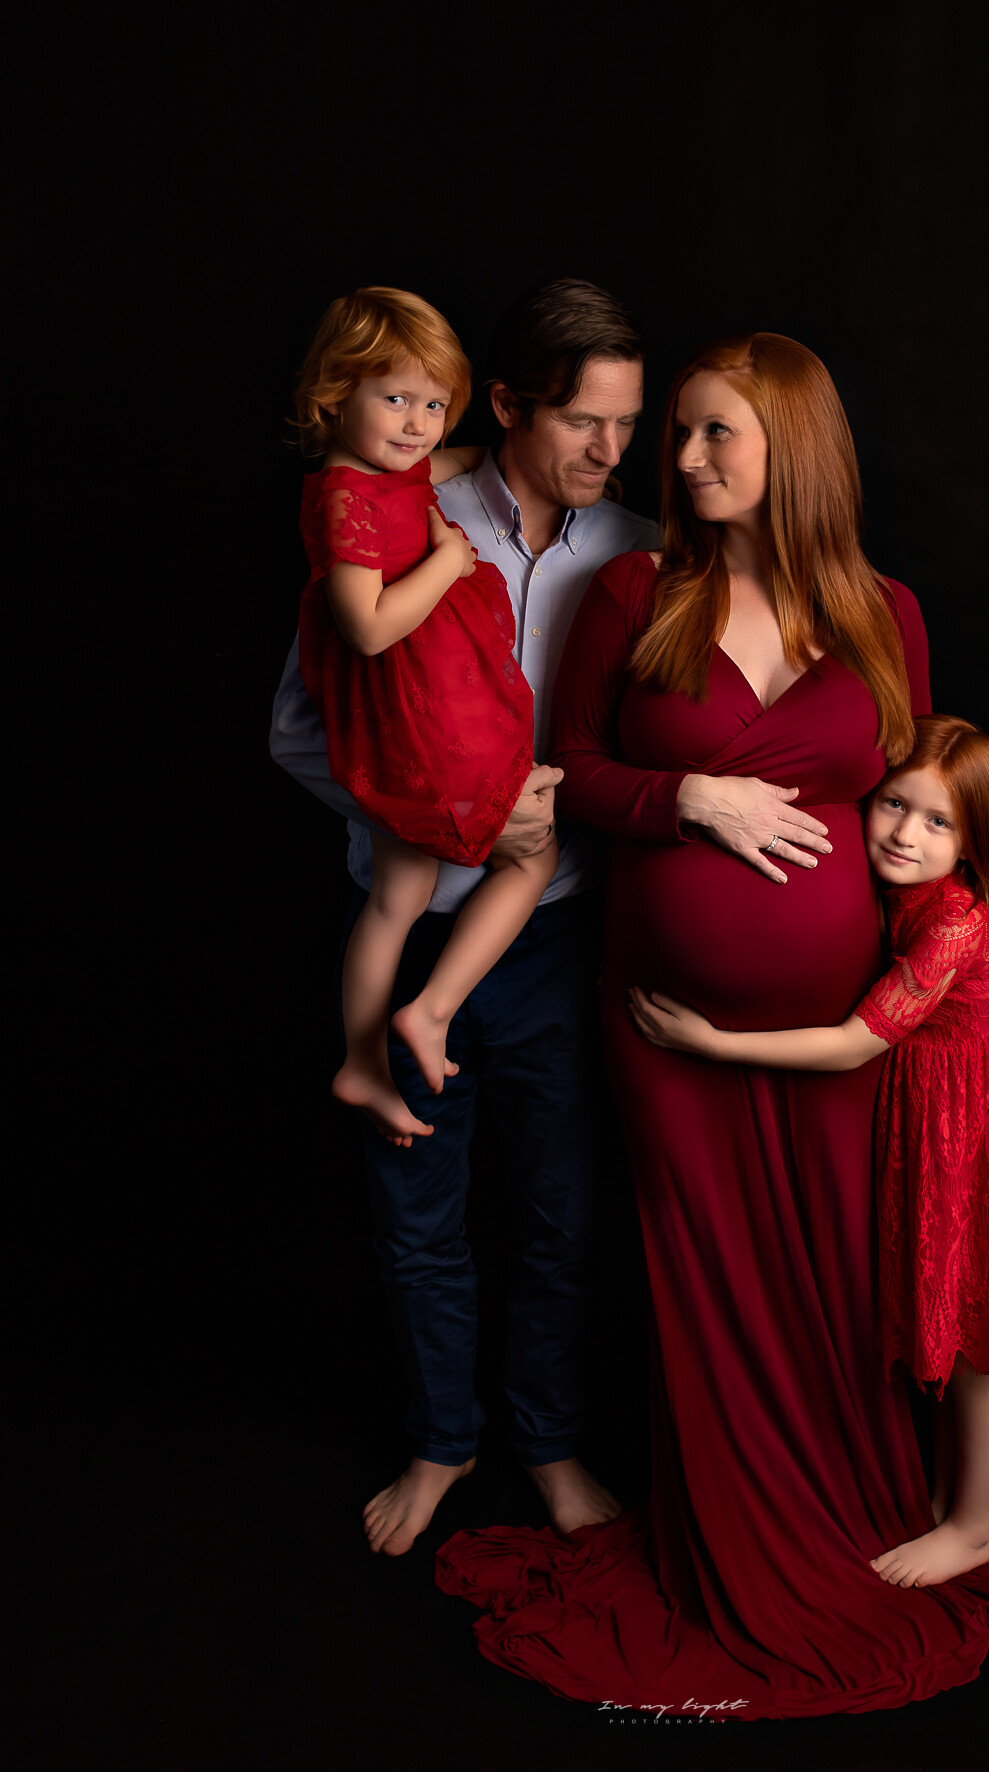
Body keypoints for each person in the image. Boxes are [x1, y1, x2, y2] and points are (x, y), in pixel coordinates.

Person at [436, 335, 989, 1719]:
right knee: (709, 1286)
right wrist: (689, 798)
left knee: (839, 1278)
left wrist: (949, 985)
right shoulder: (634, 591)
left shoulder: (885, 613)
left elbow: (916, 798)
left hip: (844, 1029)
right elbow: (573, 770)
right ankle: (737, 1556)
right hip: (670, 1025)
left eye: (719, 432)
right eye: (684, 431)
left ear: (795, 449)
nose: (685, 456)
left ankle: (862, 1518)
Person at [269, 280, 658, 1553]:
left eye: (627, 423)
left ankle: (548, 1442)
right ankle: (443, 1440)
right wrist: (457, 819)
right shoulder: (404, 505)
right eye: (583, 421)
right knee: (417, 1217)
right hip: (411, 916)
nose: (609, 448)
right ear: (507, 406)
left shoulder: (640, 551)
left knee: (558, 1214)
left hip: (554, 938)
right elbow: (298, 729)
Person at [630, 714, 989, 1592]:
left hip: (977, 1135)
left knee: (972, 1346)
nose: (905, 834)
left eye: (937, 822)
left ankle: (975, 1525)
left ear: (974, 843)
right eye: (894, 804)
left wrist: (713, 1042)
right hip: (936, 1120)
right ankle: (950, 1497)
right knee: (939, 1320)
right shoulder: (901, 896)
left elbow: (855, 1043)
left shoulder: (954, 924)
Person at [292, 287, 557, 1146]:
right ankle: (430, 1010)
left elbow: (445, 463)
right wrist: (449, 560)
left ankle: (365, 1060)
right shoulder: (343, 497)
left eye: (435, 405)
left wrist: (524, 456)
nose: (418, 426)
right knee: (534, 850)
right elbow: (367, 628)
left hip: (425, 707)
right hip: (414, 716)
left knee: (398, 894)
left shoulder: (386, 468)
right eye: (396, 399)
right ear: (335, 396)